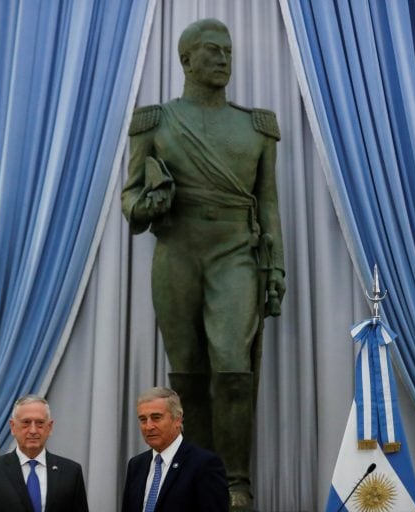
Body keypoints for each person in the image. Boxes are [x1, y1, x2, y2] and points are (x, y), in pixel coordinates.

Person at [121, 18, 284, 509]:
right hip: (178, 251)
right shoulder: (156, 121)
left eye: (227, 51)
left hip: (235, 251)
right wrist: (151, 204)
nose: (222, 59)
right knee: (187, 373)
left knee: (233, 368)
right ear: (186, 59)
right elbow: (131, 202)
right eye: (211, 51)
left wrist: (274, 265)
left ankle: (235, 479)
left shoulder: (256, 125)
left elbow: (269, 203)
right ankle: (196, 472)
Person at [0, 395, 89, 512]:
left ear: (49, 427)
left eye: (40, 423)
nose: (33, 430)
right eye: (26, 422)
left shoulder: (71, 472)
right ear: (13, 427)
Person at [121, 387, 229, 512]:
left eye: (156, 417)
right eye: (143, 419)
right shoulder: (136, 465)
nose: (148, 426)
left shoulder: (204, 464)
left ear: (177, 419)